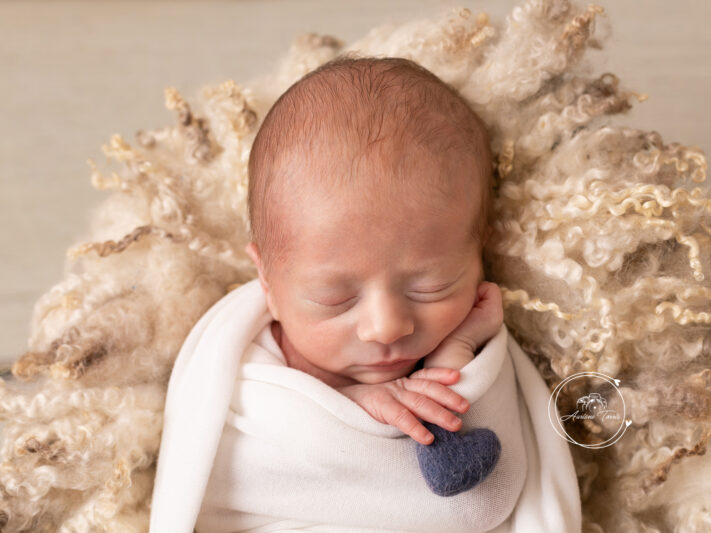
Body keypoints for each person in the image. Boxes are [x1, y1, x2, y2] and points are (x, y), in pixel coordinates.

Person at [149, 54, 581, 533]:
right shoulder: (241, 371)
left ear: (481, 254)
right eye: (335, 297)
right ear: (268, 283)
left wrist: (452, 360)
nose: (387, 326)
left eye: (430, 286)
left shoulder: (478, 342)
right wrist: (359, 401)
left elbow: (480, 501)